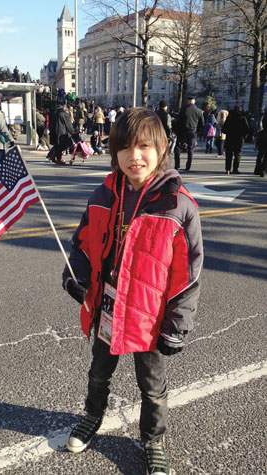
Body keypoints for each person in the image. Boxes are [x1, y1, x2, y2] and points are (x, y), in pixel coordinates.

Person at [62, 108, 203, 475]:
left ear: (161, 148)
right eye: (124, 147)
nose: (134, 156)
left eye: (143, 146)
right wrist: (73, 274)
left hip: (149, 314)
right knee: (98, 370)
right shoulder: (103, 193)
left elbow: (187, 275)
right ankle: (93, 417)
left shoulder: (177, 205)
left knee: (152, 385)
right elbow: (81, 243)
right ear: (113, 152)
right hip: (107, 304)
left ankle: (153, 440)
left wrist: (176, 325)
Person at [174, 96, 204, 171]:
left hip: (182, 131)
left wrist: (177, 131)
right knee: (191, 149)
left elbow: (178, 121)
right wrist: (198, 131)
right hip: (192, 131)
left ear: (188, 101)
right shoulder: (198, 111)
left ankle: (177, 164)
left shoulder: (183, 109)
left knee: (177, 148)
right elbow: (202, 123)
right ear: (194, 102)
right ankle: (188, 166)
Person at [221, 105, 249, 175]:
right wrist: (244, 136)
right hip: (239, 139)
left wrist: (228, 132)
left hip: (230, 138)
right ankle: (235, 168)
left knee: (229, 154)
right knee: (238, 154)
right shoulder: (243, 118)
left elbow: (224, 129)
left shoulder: (229, 117)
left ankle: (227, 169)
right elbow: (247, 129)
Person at [254, 111, 267, 177]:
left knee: (260, 154)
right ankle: (263, 170)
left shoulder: (263, 116)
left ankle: (257, 170)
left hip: (262, 135)